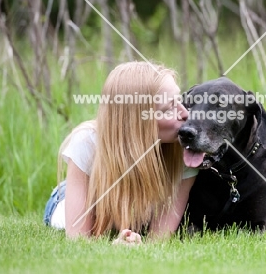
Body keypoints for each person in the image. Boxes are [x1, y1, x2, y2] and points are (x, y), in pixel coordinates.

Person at [43, 61, 197, 245]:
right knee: (62, 221)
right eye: (169, 108)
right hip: (72, 195)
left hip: (137, 211)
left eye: (179, 100)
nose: (185, 113)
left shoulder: (186, 150)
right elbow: (78, 239)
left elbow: (159, 238)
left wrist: (140, 243)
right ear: (138, 121)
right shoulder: (87, 142)